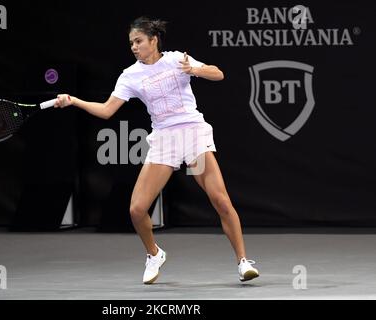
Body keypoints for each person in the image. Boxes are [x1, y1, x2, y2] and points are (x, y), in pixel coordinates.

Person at [54, 16, 259, 284]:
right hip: (165, 141)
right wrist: (74, 101)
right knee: (137, 209)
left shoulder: (176, 59)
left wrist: (193, 70)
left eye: (139, 41)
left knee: (220, 200)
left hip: (193, 135)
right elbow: (106, 110)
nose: (134, 47)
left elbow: (218, 73)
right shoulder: (130, 76)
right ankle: (154, 254)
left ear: (154, 40)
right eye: (131, 43)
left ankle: (243, 262)